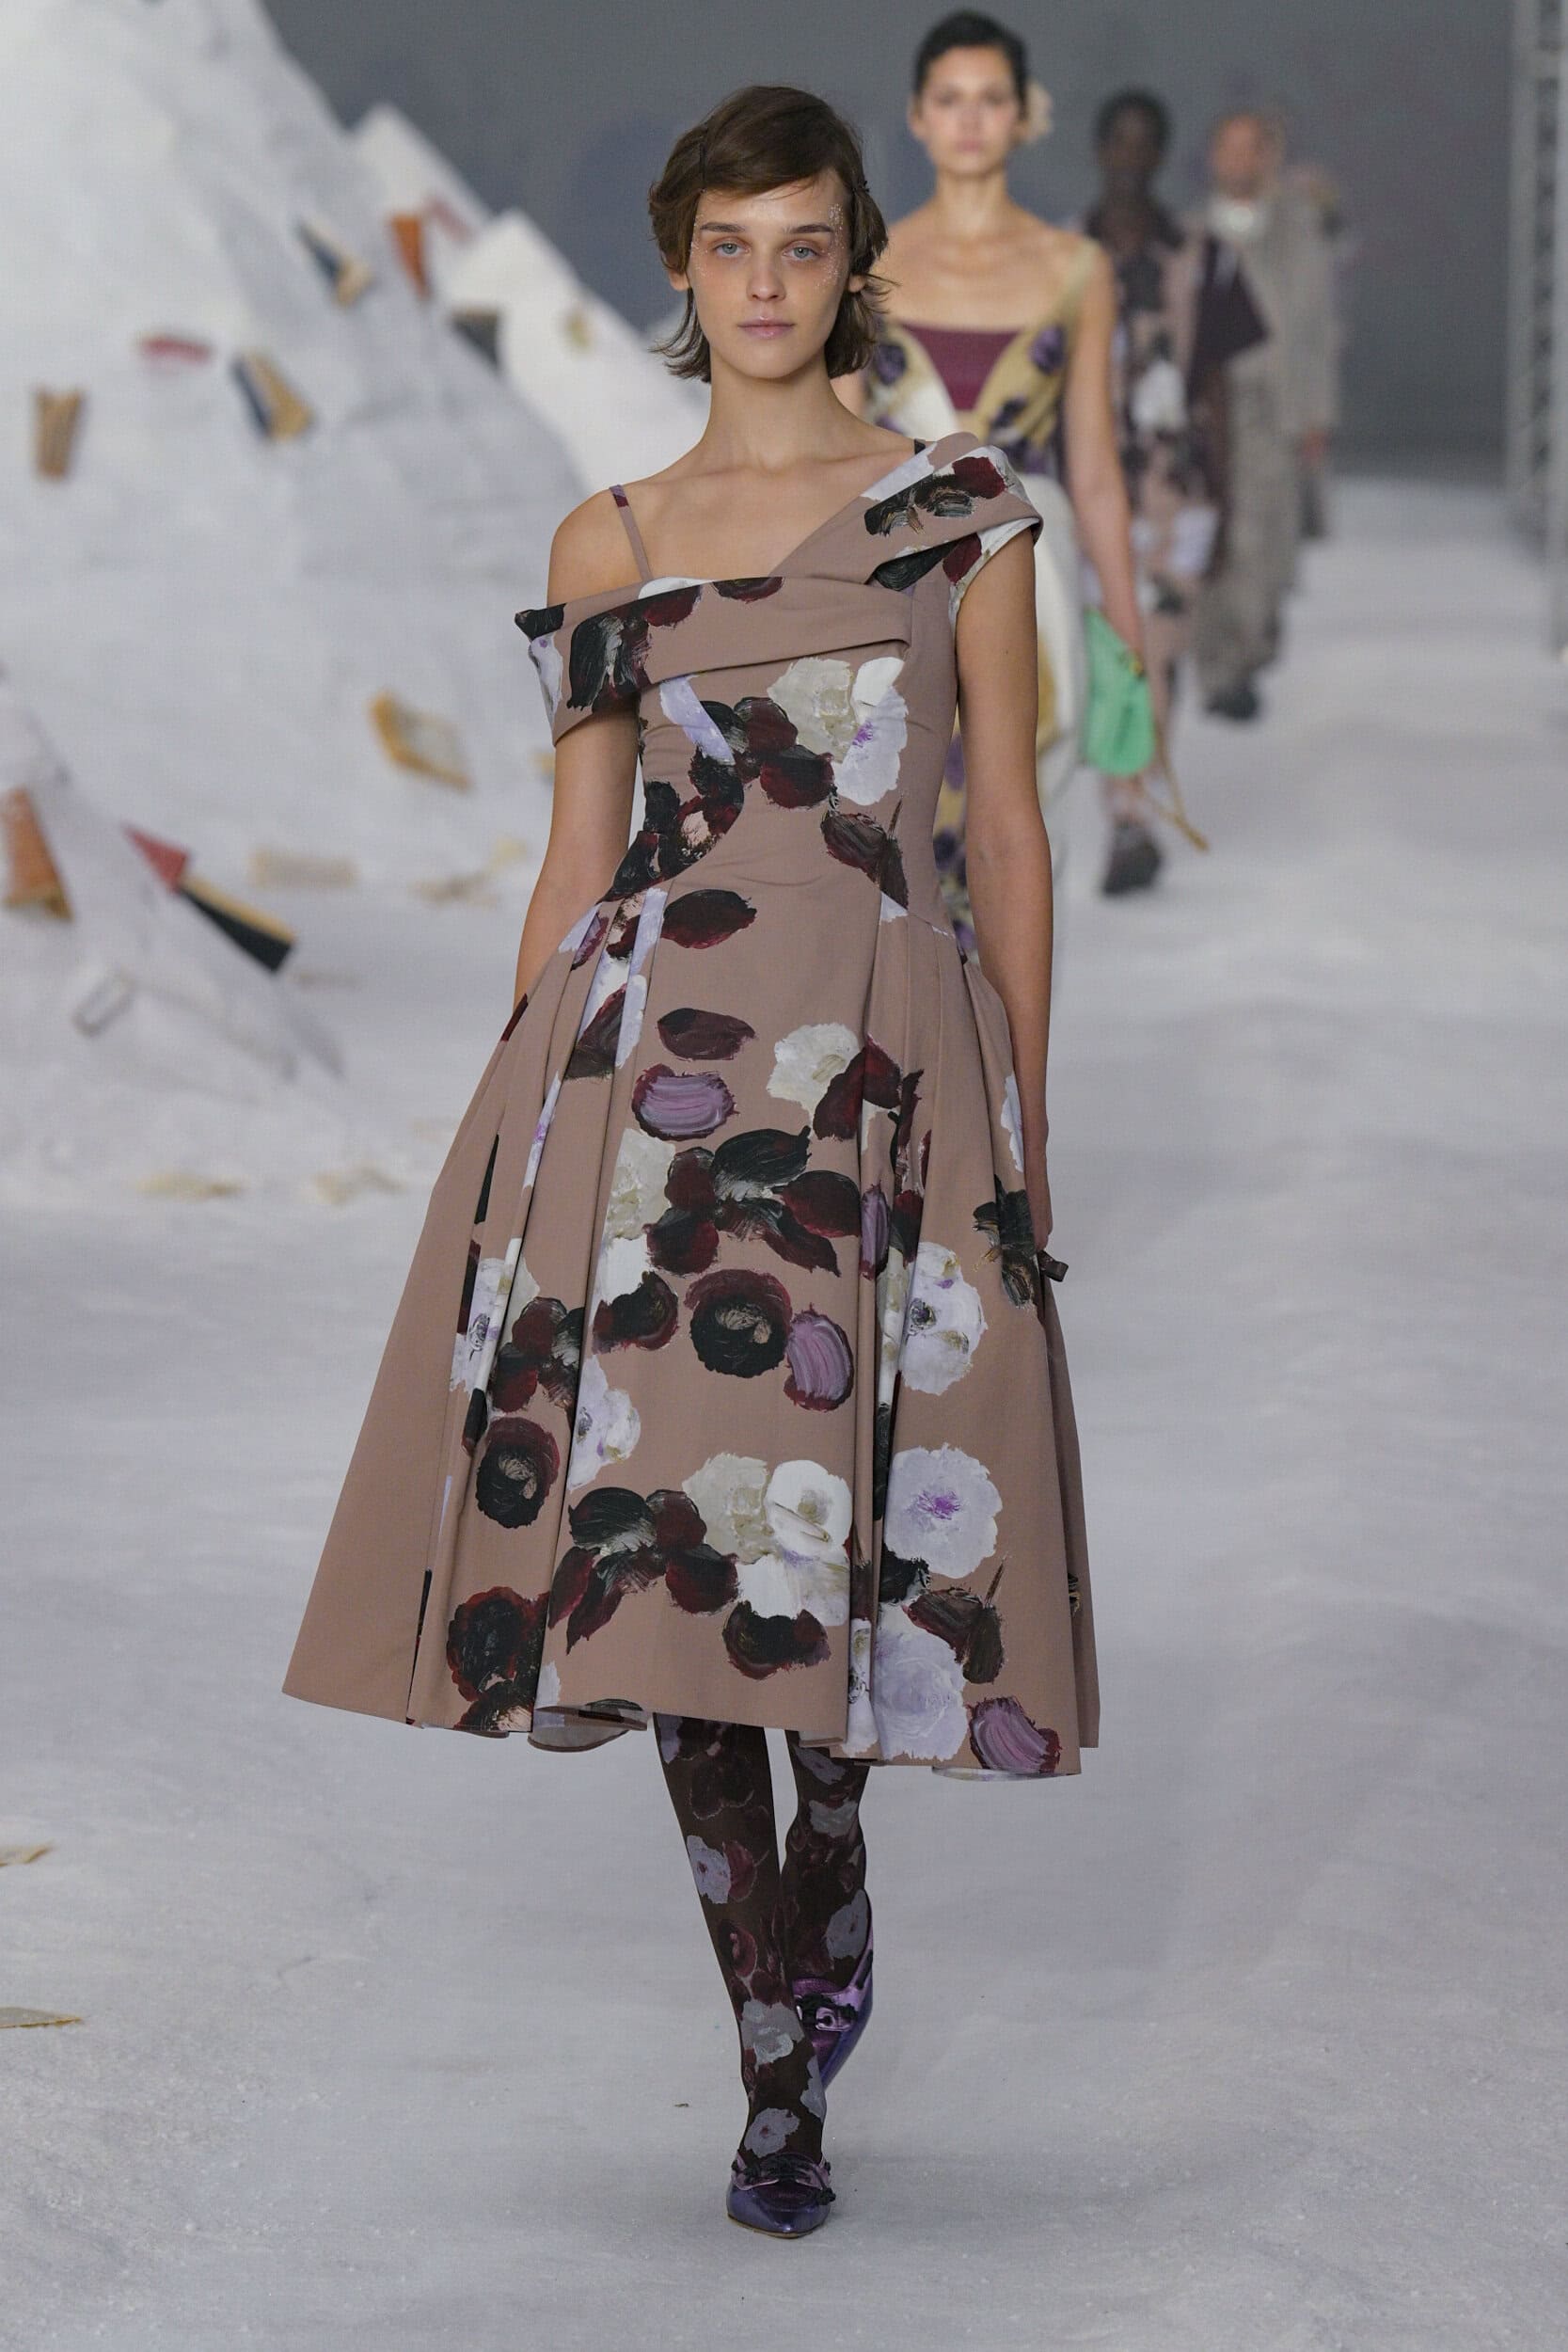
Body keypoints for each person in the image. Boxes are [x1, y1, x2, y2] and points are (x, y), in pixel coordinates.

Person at [283, 84, 1095, 2242]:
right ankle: (770, 2057)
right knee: (665, 1575)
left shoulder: (955, 514)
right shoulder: (607, 541)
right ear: (679, 268)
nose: (763, 283)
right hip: (654, 1100)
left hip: (876, 1079)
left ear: (850, 263)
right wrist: (509, 1142)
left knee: (823, 1557)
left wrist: (1017, 1120)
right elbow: (576, 861)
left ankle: (827, 1882)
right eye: (728, 247)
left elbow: (1005, 833)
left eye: (801, 244)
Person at [849, 11, 1144, 933]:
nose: (970, 120)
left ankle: (999, 1024)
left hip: (1031, 579)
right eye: (949, 99)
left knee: (1011, 823)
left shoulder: (1076, 270)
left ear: (1023, 116)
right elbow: (838, 444)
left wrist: (1128, 642)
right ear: (916, 115)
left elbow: (1095, 469)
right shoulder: (866, 265)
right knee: (890, 836)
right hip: (894, 582)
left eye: (990, 100)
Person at [1083, 90, 1267, 889]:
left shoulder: (1203, 256)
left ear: (1160, 155)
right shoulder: (1060, 253)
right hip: (1087, 482)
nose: (1130, 157)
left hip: (1175, 489)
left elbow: (1219, 387)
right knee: (1106, 651)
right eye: (1118, 142)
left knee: (1151, 647)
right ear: (1099, 150)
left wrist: (1225, 503)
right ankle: (1125, 803)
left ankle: (1131, 815)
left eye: (1144, 143)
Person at [1193, 108, 1338, 723]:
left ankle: (1249, 646)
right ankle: (1219, 669)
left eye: (1251, 148)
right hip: (1205, 413)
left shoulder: (1297, 232)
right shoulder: (1190, 234)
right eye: (1228, 147)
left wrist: (1316, 413)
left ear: (1269, 156)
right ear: (1212, 156)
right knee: (1210, 540)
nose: (1239, 159)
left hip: (1272, 409)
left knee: (1266, 545)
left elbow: (1317, 328)